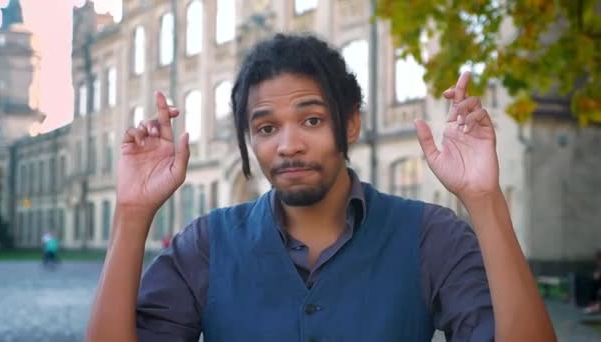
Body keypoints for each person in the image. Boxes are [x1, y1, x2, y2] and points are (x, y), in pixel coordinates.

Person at [87, 34, 556, 341]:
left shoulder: (429, 234)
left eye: (311, 119)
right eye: (266, 128)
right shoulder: (206, 244)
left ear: (350, 123)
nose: (288, 145)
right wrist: (131, 211)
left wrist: (484, 199)